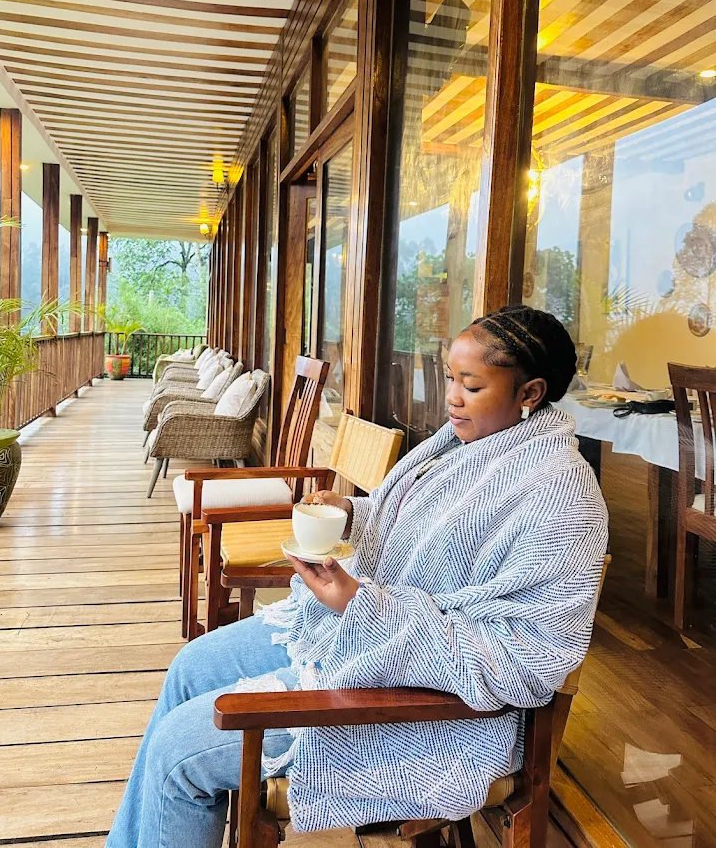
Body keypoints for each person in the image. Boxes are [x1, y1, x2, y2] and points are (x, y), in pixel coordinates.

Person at [107, 305, 608, 848]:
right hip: (354, 644)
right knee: (190, 666)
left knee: (177, 753)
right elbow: (423, 528)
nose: (451, 398)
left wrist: (358, 604)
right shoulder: (473, 446)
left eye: (472, 384)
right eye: (449, 378)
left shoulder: (559, 495)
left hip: (434, 716)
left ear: (529, 393)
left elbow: (518, 664)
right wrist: (351, 512)